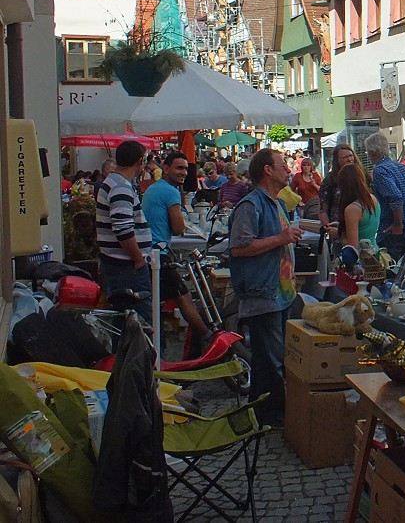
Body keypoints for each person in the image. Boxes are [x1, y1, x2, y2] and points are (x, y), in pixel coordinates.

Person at [227, 148, 303, 426]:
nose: (288, 169)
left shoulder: (276, 203)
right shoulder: (251, 205)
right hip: (263, 294)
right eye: (283, 165)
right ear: (268, 170)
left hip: (279, 292)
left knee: (269, 359)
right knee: (271, 360)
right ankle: (273, 415)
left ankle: (257, 412)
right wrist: (281, 238)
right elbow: (239, 247)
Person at [141, 152, 211, 342]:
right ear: (166, 168)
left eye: (186, 169)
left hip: (149, 252)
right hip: (157, 255)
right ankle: (209, 339)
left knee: (177, 296)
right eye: (179, 168)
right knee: (184, 297)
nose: (184, 173)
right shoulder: (170, 191)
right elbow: (179, 228)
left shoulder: (156, 188)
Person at [95, 141, 154, 321]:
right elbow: (122, 229)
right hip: (126, 265)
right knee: (135, 319)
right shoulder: (120, 187)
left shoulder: (113, 182)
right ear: (140, 161)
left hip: (117, 263)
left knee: (123, 318)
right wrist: (138, 259)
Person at [319, 144, 357, 240]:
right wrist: (328, 228)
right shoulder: (330, 180)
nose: (349, 159)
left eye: (350, 156)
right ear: (337, 161)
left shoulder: (362, 176)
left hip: (359, 228)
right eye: (345, 157)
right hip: (338, 230)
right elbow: (323, 209)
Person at [340, 163, 381, 248]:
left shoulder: (352, 209)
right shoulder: (373, 199)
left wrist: (339, 235)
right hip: (374, 251)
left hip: (361, 257)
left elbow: (353, 246)